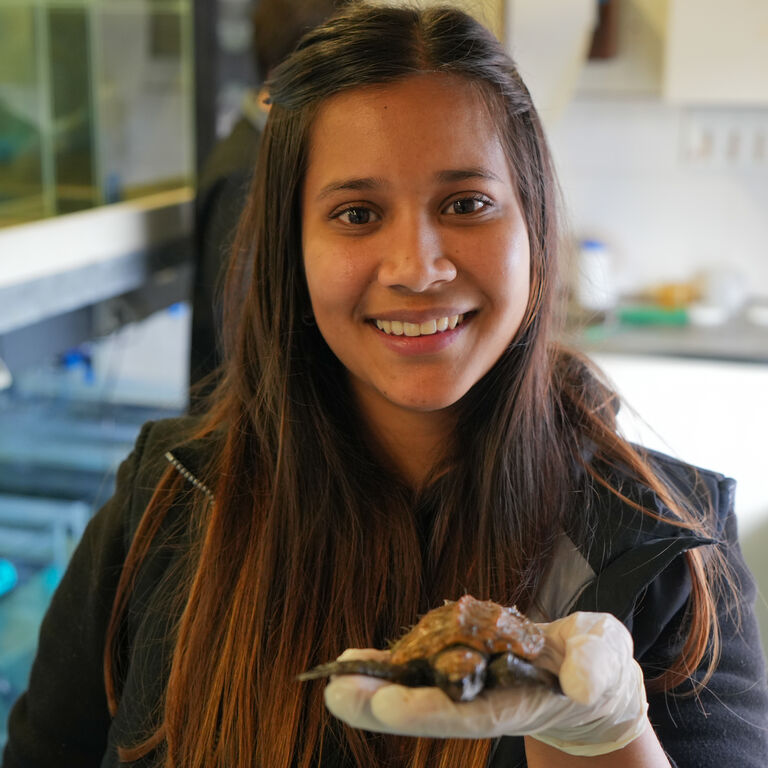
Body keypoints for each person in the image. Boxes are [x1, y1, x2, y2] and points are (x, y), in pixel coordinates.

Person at [4, 4, 768, 767]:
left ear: (533, 224)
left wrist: (609, 737)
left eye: (466, 204)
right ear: (291, 250)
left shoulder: (670, 548)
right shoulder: (167, 500)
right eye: (357, 213)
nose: (416, 267)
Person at [190, 0, 345, 391]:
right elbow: (240, 341)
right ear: (286, 74)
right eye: (338, 71)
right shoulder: (246, 174)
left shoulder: (272, 156)